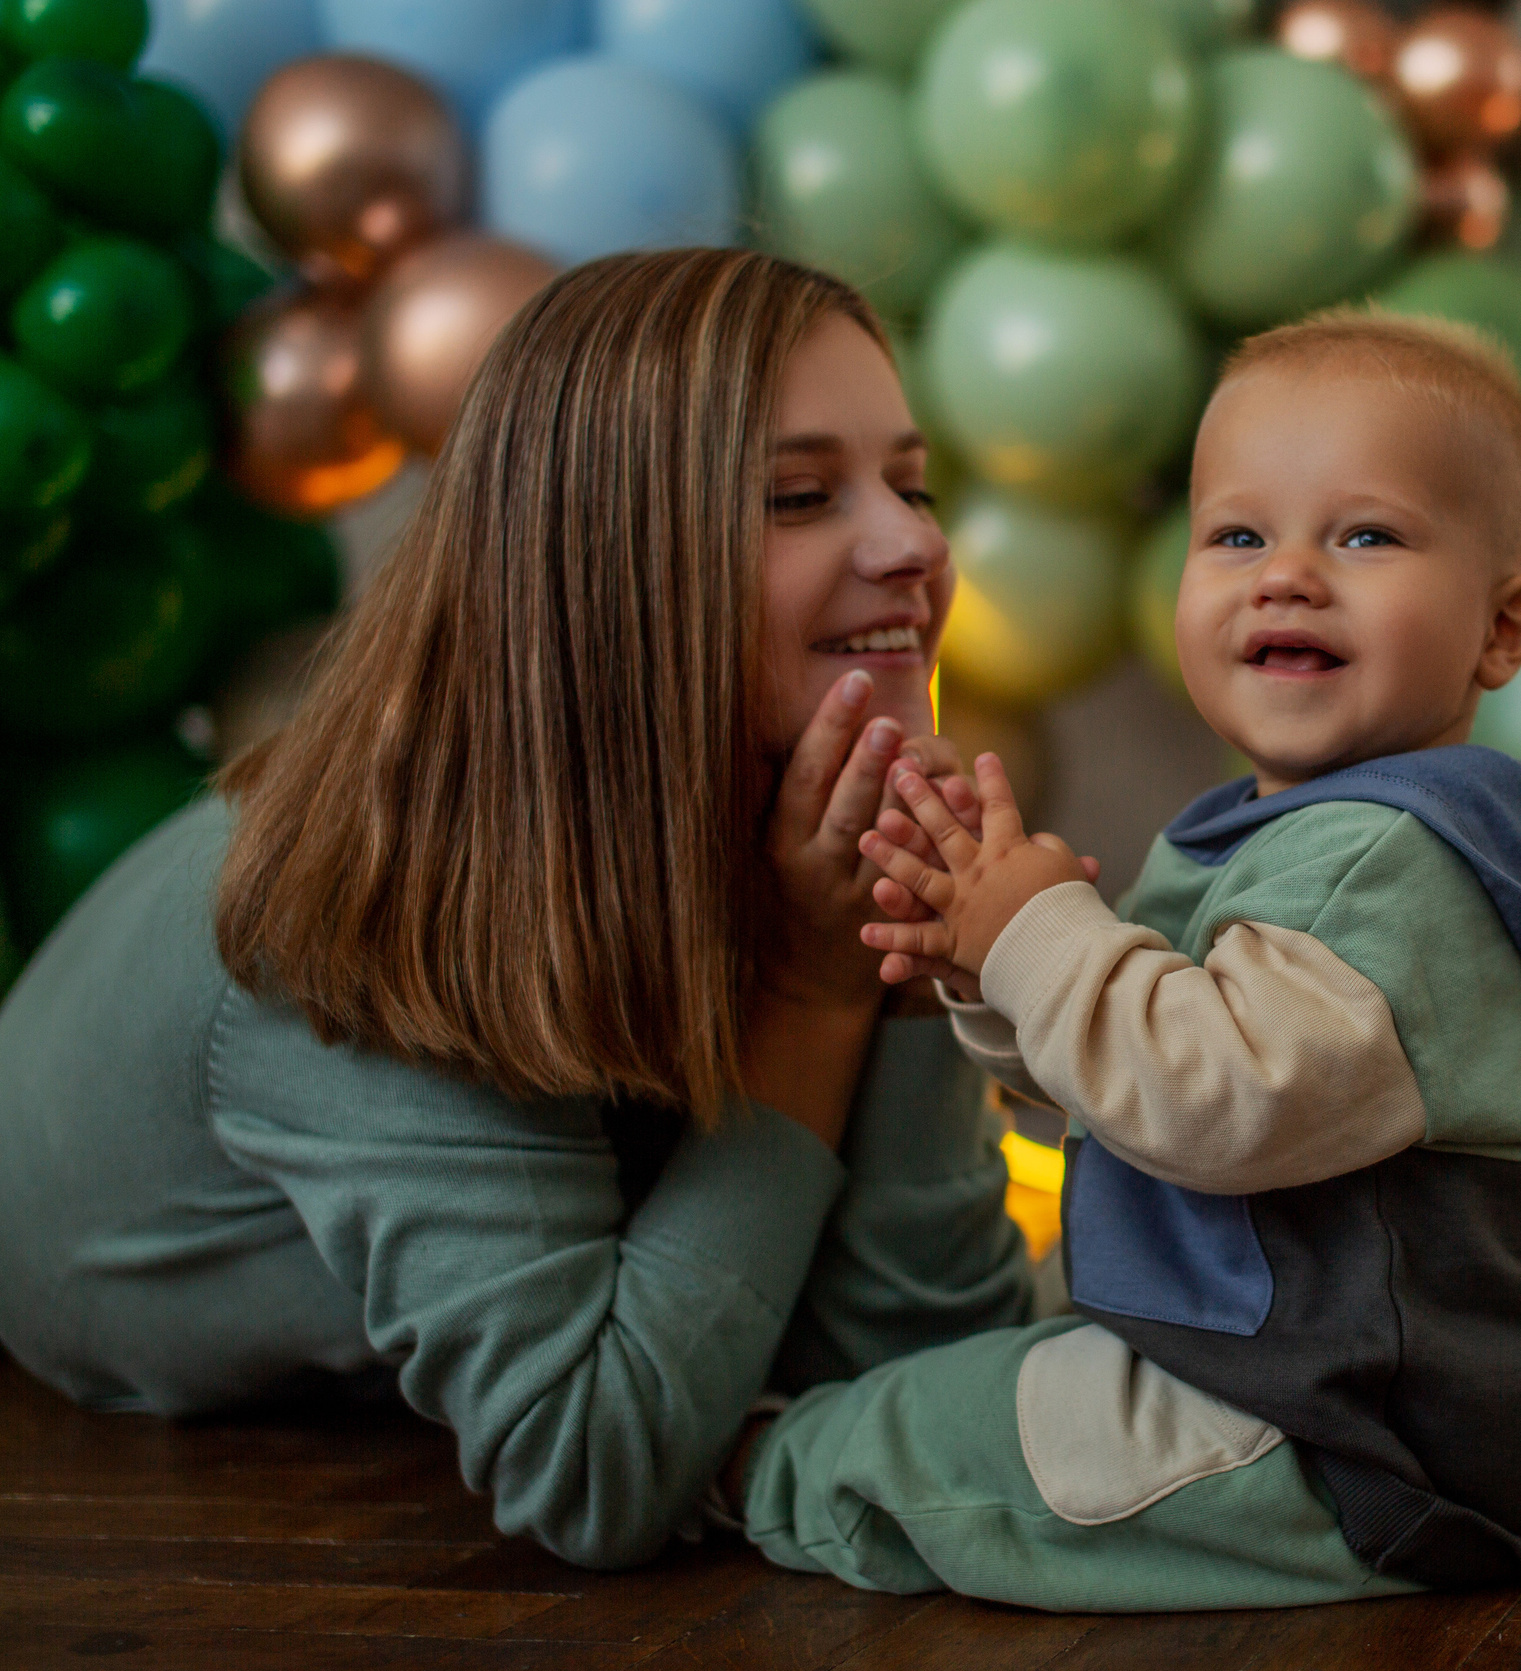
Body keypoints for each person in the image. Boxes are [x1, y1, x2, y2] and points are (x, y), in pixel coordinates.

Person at [0, 249, 1052, 1570]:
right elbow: (590, 1474)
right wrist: (811, 998)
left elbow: (939, 1369)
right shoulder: (380, 895)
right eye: (799, 496)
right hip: (125, 1421)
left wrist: (901, 949)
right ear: (607, 566)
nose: (915, 546)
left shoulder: (788, 800)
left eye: (912, 483)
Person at [731, 312, 1521, 1612]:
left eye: (1366, 536)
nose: (1287, 575)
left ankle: (754, 1469)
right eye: (1238, 535)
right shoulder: (1329, 835)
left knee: (924, 1432)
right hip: (1391, 1407)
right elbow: (1134, 1069)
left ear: (1502, 628)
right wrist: (984, 964)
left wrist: (1037, 933)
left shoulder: (1387, 864)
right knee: (1002, 1376)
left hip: (1346, 1442)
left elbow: (1214, 1095)